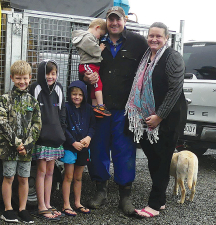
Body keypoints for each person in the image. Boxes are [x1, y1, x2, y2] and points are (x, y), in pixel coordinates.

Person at [80, 6, 148, 215]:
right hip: (99, 108)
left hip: (126, 109)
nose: (114, 24)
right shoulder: (95, 41)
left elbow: (149, 68)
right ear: (106, 22)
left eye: (118, 20)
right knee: (98, 149)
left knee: (124, 151)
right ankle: (101, 190)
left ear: (125, 20)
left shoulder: (138, 42)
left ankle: (125, 196)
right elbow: (83, 65)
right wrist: (85, 78)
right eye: (111, 20)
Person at [125, 22, 187, 218]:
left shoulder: (172, 57)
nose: (154, 39)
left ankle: (153, 205)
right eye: (151, 36)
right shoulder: (146, 56)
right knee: (153, 159)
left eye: (158, 36)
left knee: (161, 160)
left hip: (168, 119)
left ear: (166, 38)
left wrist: (159, 116)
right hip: (146, 119)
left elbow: (174, 90)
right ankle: (160, 200)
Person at [0, 60, 42, 223]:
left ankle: (22, 208)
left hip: (26, 149)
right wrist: (17, 143)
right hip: (9, 148)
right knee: (9, 177)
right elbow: (3, 122)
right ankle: (8, 209)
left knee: (24, 178)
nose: (22, 82)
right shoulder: (5, 99)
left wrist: (27, 144)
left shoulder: (33, 101)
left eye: (25, 78)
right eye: (19, 78)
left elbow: (37, 123)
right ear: (12, 78)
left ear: (30, 78)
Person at [29, 60, 66, 220]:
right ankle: (41, 206)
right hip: (41, 139)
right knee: (41, 172)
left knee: (51, 172)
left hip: (55, 138)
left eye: (53, 73)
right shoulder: (35, 88)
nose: (51, 76)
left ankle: (48, 203)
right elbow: (31, 113)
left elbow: (62, 111)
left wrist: (62, 132)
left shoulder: (59, 88)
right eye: (48, 73)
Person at [60, 80, 96, 216]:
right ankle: (66, 204)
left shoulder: (88, 109)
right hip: (70, 147)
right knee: (68, 176)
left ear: (84, 95)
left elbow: (93, 126)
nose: (77, 97)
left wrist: (89, 138)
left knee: (79, 177)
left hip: (84, 148)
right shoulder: (66, 107)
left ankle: (77, 203)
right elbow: (63, 127)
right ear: (70, 94)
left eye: (80, 95)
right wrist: (73, 142)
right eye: (74, 94)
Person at [72, 18, 111, 117]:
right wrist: (100, 48)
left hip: (92, 65)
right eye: (100, 35)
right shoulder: (87, 37)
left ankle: (94, 107)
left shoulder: (88, 37)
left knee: (94, 86)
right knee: (98, 83)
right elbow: (93, 50)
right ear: (97, 27)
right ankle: (100, 106)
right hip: (88, 65)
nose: (99, 38)